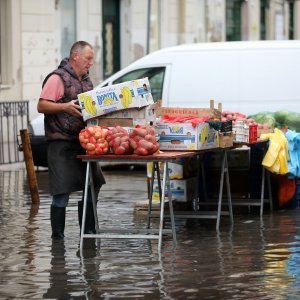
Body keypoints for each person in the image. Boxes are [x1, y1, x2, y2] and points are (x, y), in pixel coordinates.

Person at [37, 41, 105, 240]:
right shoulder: (58, 78)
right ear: (75, 56)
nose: (91, 63)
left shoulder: (86, 80)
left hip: (84, 142)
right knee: (62, 191)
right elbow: (41, 106)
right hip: (60, 143)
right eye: (88, 58)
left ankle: (88, 232)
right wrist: (64, 107)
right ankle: (58, 239)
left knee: (94, 183)